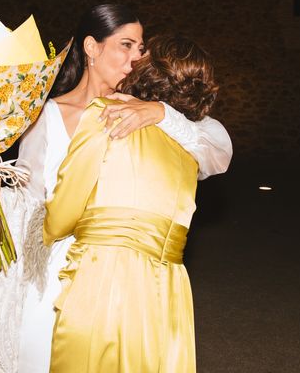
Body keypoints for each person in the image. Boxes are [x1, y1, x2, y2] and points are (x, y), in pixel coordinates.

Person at [0, 5, 232, 373]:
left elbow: (219, 150)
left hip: (124, 280)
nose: (137, 57)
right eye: (126, 45)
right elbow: (31, 200)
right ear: (92, 48)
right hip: (53, 275)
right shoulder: (45, 116)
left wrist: (161, 112)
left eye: (141, 48)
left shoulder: (151, 108)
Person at [44, 34, 219, 372]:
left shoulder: (106, 114)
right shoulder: (191, 145)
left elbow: (64, 207)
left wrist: (47, 229)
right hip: (168, 284)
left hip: (104, 273)